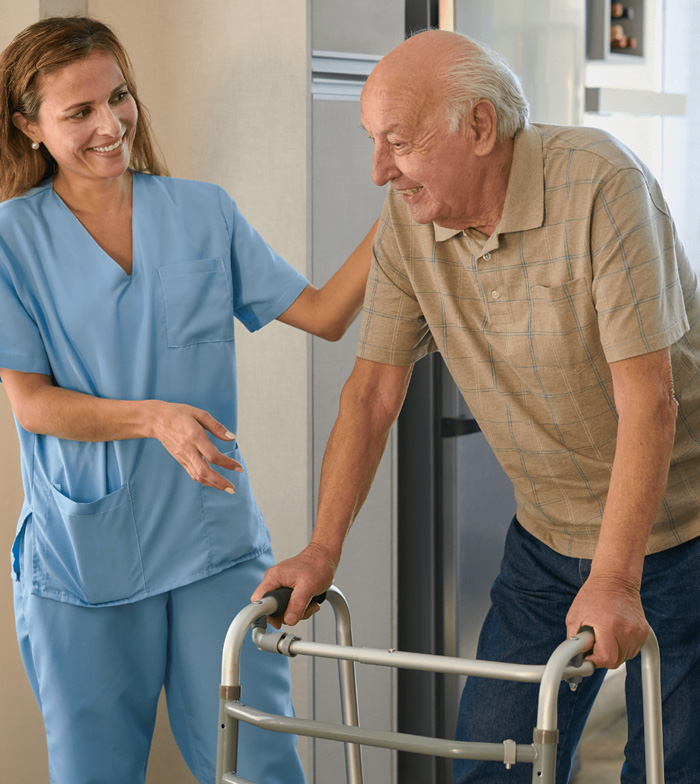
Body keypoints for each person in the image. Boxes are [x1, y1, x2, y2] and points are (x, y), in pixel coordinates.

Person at [253, 29, 700, 783]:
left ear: (481, 127)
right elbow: (371, 395)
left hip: (685, 533)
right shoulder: (411, 222)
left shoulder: (599, 182)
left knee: (668, 767)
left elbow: (648, 401)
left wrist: (618, 579)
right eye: (373, 142)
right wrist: (321, 549)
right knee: (489, 765)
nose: (377, 170)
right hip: (546, 538)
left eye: (397, 141)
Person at [0, 15, 377, 784]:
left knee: (260, 765)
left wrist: (402, 202)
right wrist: (153, 417)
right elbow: (33, 404)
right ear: (28, 127)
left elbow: (326, 315)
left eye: (120, 96)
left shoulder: (203, 212)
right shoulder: (11, 240)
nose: (112, 125)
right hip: (84, 559)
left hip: (213, 545)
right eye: (79, 112)